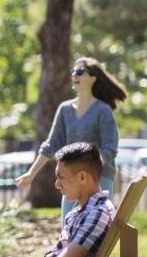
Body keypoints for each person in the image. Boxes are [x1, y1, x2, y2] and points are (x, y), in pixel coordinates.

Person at [16, 57, 127, 221]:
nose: (75, 75)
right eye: (73, 71)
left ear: (93, 78)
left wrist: (88, 169)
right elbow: (51, 145)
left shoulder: (103, 110)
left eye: (80, 71)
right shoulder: (65, 109)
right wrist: (31, 174)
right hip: (71, 179)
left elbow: (109, 149)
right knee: (68, 227)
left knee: (98, 228)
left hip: (100, 178)